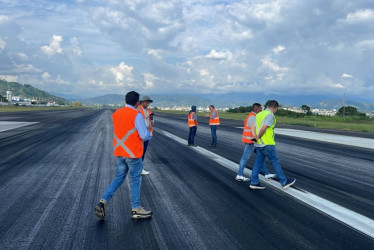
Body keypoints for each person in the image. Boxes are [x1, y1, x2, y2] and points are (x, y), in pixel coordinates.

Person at [95, 91, 152, 220]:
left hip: (120, 152)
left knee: (118, 178)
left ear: (125, 101)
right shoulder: (136, 115)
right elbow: (143, 135)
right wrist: (149, 134)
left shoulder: (117, 114)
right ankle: (136, 208)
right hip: (133, 154)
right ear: (137, 103)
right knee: (136, 179)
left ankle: (103, 201)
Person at [249, 100, 296, 189]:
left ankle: (254, 182)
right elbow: (264, 128)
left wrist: (255, 138)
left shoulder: (259, 114)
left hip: (258, 145)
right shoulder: (270, 115)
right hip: (267, 144)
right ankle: (284, 182)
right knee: (275, 162)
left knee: (258, 163)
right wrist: (258, 137)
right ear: (275, 108)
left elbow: (252, 126)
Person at [235, 103, 276, 181]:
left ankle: (267, 174)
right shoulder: (253, 117)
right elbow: (254, 129)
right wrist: (257, 138)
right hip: (251, 141)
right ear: (256, 109)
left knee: (260, 158)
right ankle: (239, 175)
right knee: (245, 158)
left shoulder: (251, 116)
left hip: (252, 141)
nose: (261, 110)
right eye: (260, 109)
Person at [137, 95, 154, 175]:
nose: (147, 104)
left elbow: (152, 123)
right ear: (142, 102)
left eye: (148, 103)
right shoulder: (138, 110)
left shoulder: (149, 111)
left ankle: (139, 169)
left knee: (143, 153)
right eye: (146, 102)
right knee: (138, 153)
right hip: (139, 135)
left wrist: (152, 119)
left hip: (146, 135)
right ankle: (138, 169)